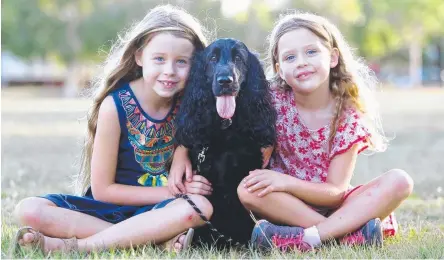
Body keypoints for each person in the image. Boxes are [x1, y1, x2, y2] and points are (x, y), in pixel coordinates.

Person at [12, 5, 214, 255]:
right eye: (159, 59)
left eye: (182, 62)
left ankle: (75, 247)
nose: (169, 71)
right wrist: (171, 192)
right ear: (140, 57)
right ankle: (153, 238)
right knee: (29, 210)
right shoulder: (114, 106)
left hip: (162, 211)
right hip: (109, 210)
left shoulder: (194, 105)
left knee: (198, 207)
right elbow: (103, 191)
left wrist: (182, 151)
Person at [236, 12, 414, 252]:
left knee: (400, 181)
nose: (301, 62)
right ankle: (344, 235)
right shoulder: (272, 103)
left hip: (337, 206)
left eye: (311, 52)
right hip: (287, 206)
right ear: (279, 69)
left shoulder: (347, 115)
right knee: (247, 189)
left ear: (332, 57)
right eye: (290, 57)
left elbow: (335, 193)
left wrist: (285, 181)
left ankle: (309, 238)